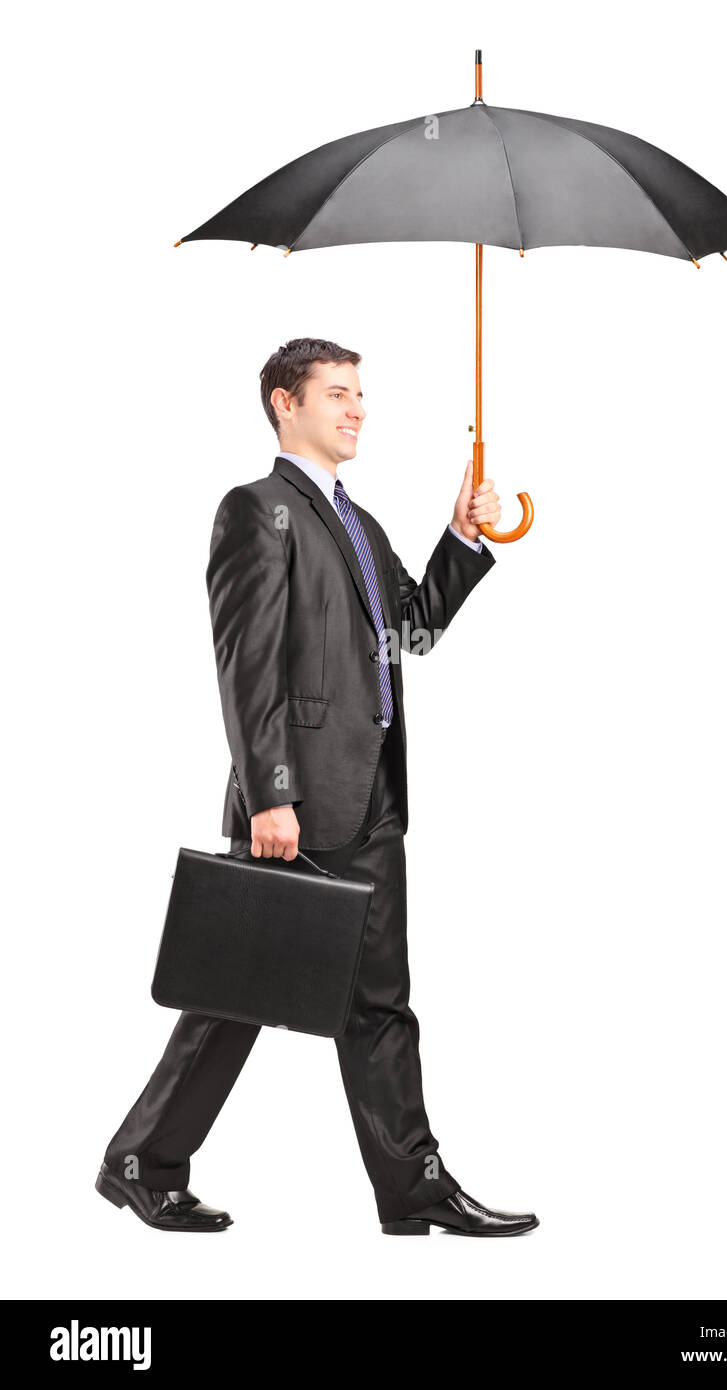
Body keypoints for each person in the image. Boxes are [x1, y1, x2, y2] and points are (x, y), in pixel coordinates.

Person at [95, 337, 539, 1237]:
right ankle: (140, 1161)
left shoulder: (362, 526)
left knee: (379, 1006)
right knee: (239, 995)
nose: (358, 408)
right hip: (295, 802)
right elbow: (246, 668)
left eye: (362, 394)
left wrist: (462, 534)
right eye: (338, 393)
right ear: (282, 403)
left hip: (371, 797)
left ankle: (413, 1185)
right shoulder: (256, 512)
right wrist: (269, 793)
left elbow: (409, 636)